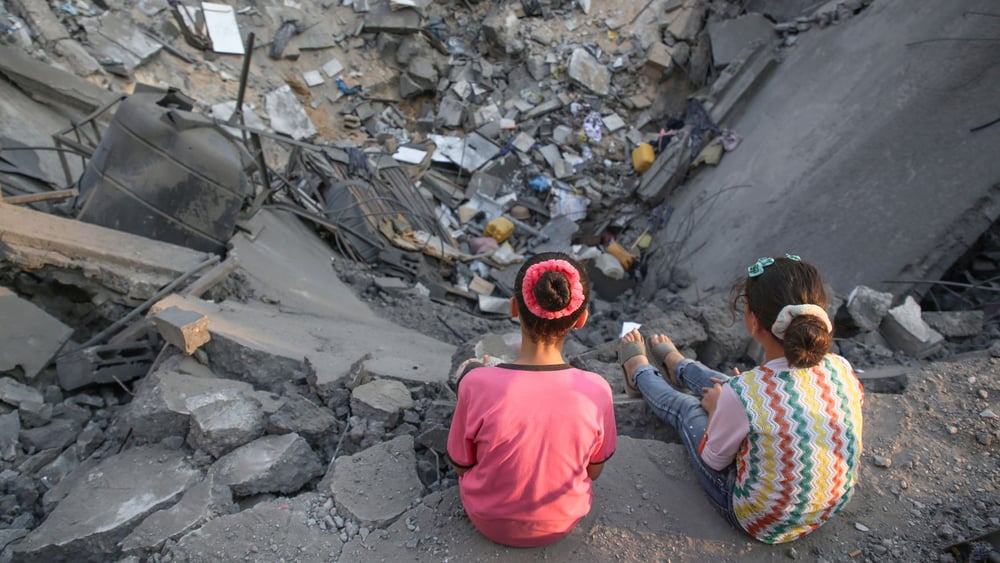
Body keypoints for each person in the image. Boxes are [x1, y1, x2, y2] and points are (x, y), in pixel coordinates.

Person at [619, 255, 863, 544]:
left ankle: (639, 372)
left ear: (754, 321)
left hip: (761, 519)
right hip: (828, 505)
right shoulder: (841, 367)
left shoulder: (744, 394)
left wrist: (713, 411)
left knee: (687, 408)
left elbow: (713, 458)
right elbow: (770, 398)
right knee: (735, 390)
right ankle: (679, 366)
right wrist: (733, 401)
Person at [448, 252, 617, 548]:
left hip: (487, 520)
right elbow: (594, 471)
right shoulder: (598, 390)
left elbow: (461, 466)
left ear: (514, 307)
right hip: (562, 522)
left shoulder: (476, 383)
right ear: (581, 320)